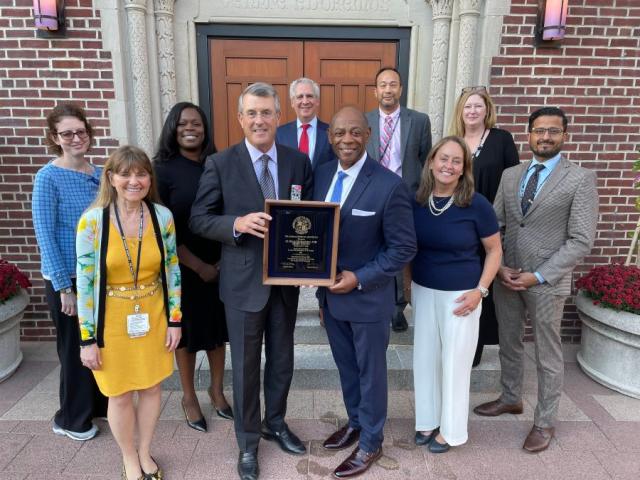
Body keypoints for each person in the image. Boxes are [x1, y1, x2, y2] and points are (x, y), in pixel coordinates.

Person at [190, 82, 313, 480]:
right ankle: (247, 442)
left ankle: (275, 422)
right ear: (240, 119)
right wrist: (236, 224)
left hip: (285, 281)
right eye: (252, 113)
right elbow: (199, 219)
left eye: (267, 112)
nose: (260, 120)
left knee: (282, 359)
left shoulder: (298, 162)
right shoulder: (220, 164)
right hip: (242, 285)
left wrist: (311, 264)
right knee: (244, 367)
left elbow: (310, 220)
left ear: (280, 116)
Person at [473, 107, 599, 453]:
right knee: (509, 341)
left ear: (564, 136)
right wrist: (498, 267)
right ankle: (511, 397)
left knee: (547, 352)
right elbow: (495, 223)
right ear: (528, 134)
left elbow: (581, 239)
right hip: (507, 276)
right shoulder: (511, 175)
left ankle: (544, 421)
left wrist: (538, 275)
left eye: (553, 131)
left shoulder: (580, 178)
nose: (545, 137)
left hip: (546, 281)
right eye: (539, 130)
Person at [314, 106, 416, 478]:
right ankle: (356, 422)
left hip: (368, 298)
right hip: (331, 298)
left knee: (371, 372)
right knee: (346, 368)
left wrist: (359, 277)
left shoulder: (389, 185)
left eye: (355, 133)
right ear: (330, 136)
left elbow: (403, 249)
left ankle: (372, 441)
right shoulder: (322, 174)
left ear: (368, 135)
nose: (347, 140)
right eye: (340, 133)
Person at [76, 145, 182, 480]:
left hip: (152, 313)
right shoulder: (92, 222)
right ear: (111, 178)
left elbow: (172, 270)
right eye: (125, 173)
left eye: (141, 173)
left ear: (150, 178)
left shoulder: (162, 217)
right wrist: (87, 338)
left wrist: (175, 320)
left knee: (151, 388)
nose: (134, 180)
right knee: (120, 394)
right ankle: (128, 457)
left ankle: (145, 450)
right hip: (112, 320)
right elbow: (85, 280)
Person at [411, 136, 502, 453]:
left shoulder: (476, 204)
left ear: (464, 169)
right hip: (422, 290)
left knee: (454, 365)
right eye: (443, 158)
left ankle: (450, 431)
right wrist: (410, 288)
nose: (448, 166)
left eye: (456, 161)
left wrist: (480, 291)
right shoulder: (417, 199)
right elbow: (409, 249)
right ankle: (426, 419)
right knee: (425, 360)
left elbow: (494, 250)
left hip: (462, 296)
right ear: (432, 161)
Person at [154, 102, 233, 433]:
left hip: (221, 264)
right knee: (184, 336)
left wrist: (220, 262)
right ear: (173, 127)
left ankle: (216, 390)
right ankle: (188, 397)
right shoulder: (160, 169)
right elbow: (161, 227)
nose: (191, 128)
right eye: (183, 123)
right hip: (182, 267)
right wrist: (199, 266)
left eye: (197, 124)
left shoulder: (218, 164)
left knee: (217, 334)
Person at [32, 103, 108, 441]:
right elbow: (45, 235)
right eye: (67, 133)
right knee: (75, 349)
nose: (75, 138)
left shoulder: (100, 172)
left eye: (81, 131)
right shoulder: (48, 177)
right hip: (69, 280)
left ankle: (98, 405)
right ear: (55, 138)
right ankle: (71, 419)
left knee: (98, 345)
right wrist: (65, 288)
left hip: (99, 277)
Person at [449, 87, 520, 366]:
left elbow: (513, 181)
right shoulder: (454, 142)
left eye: (478, 106)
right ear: (461, 111)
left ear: (487, 109)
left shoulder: (501, 139)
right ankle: (458, 344)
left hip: (492, 223)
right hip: (459, 226)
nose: (472, 111)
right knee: (462, 284)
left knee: (483, 286)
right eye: (467, 107)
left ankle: (476, 351)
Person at [365, 67, 432, 332]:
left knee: (401, 249)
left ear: (401, 89)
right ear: (375, 91)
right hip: (374, 195)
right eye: (383, 85)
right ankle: (377, 298)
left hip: (408, 196)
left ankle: (398, 307)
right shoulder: (364, 119)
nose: (388, 90)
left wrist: (425, 195)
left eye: (393, 84)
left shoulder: (419, 120)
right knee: (376, 246)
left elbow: (427, 159)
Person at [276, 77, 335, 169]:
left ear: (317, 101)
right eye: (300, 97)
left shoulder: (331, 132)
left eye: (309, 96)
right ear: (292, 102)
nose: (305, 101)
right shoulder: (280, 134)